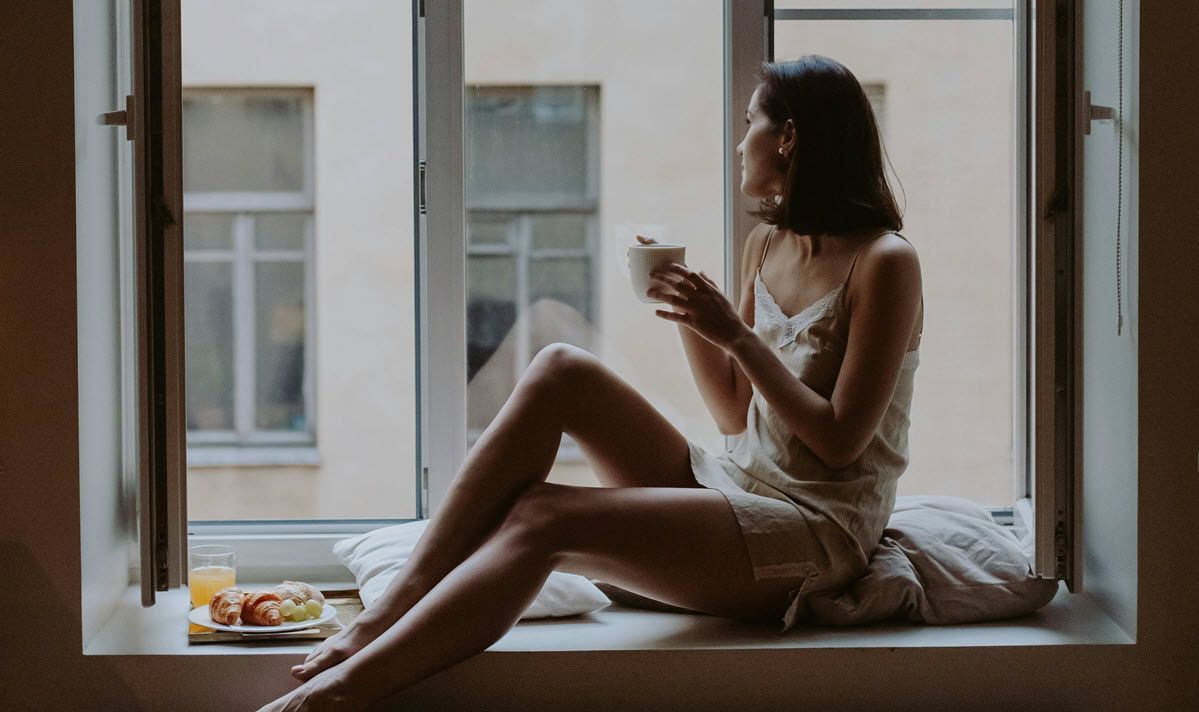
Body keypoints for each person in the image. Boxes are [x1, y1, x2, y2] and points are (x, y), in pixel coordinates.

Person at [259, 54, 923, 711]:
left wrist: (735, 336)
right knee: (560, 368)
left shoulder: (885, 262)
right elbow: (731, 413)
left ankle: (340, 693)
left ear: (788, 137)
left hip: (815, 530)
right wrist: (690, 315)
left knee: (544, 515)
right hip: (737, 487)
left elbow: (839, 443)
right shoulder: (767, 245)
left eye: (750, 122)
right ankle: (384, 616)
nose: (739, 142)